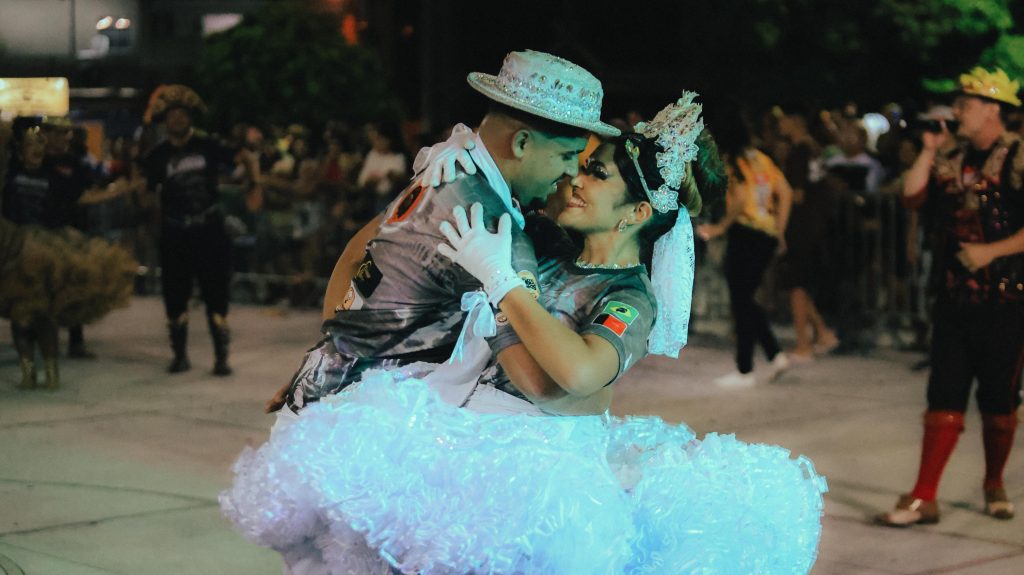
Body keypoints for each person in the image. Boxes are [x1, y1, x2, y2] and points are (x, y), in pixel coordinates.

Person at [223, 93, 827, 574]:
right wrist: (425, 192)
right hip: (446, 425)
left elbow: (567, 378)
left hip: (528, 476)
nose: (573, 179)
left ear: (636, 213)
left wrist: (501, 287)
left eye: (594, 173)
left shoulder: (629, 298)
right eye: (578, 164)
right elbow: (376, 252)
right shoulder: (538, 236)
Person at [268, 50, 613, 413]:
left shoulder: (445, 169)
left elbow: (356, 254)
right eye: (567, 156)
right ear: (522, 143)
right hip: (371, 422)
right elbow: (538, 384)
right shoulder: (490, 228)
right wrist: (602, 394)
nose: (572, 173)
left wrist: (332, 354)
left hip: (323, 399)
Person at [877, 67, 1024, 526]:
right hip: (954, 298)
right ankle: (924, 495)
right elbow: (912, 196)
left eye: (966, 104)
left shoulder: (1018, 156)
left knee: (999, 400)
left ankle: (994, 483)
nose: (957, 111)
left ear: (993, 109)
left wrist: (990, 252)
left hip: (1008, 301)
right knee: (944, 392)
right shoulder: (951, 157)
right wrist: (927, 150)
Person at [0, 117, 135, 389]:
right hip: (14, 249)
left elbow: (81, 197)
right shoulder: (10, 174)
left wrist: (117, 191)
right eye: (31, 145)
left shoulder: (55, 176)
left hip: (47, 250)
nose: (37, 149)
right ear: (22, 150)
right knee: (19, 316)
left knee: (44, 315)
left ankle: (52, 373)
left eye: (41, 145)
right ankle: (28, 373)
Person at [139, 85, 243, 376]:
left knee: (216, 293)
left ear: (190, 117)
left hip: (209, 230)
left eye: (182, 114)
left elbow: (239, 164)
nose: (178, 119)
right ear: (165, 120)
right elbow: (147, 192)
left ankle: (221, 357)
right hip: (175, 232)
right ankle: (179, 355)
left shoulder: (208, 146)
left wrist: (254, 182)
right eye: (172, 115)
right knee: (175, 294)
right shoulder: (156, 156)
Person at [697, 103, 793, 386]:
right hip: (766, 234)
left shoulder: (733, 161)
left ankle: (747, 368)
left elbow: (739, 200)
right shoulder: (761, 159)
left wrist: (719, 227)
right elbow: (785, 192)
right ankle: (771, 356)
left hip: (745, 233)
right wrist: (780, 230)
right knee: (745, 299)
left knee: (741, 301)